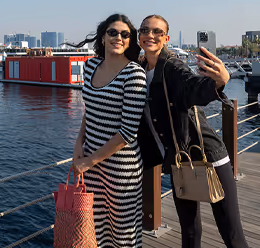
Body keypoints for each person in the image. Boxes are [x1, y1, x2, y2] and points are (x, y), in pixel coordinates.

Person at [137, 14, 248, 248]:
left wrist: (217, 82)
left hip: (210, 158)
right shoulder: (139, 70)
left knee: (232, 234)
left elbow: (191, 85)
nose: (150, 35)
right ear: (139, 37)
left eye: (157, 32)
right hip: (181, 161)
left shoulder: (172, 67)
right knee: (189, 233)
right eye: (145, 30)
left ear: (166, 38)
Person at [71, 14, 147, 248]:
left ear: (130, 41)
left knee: (123, 238)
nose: (118, 38)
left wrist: (89, 161)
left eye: (125, 34)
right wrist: (78, 145)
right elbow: (90, 111)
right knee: (94, 233)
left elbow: (127, 133)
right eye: (113, 32)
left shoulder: (134, 74)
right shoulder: (91, 65)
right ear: (103, 37)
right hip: (91, 165)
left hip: (121, 169)